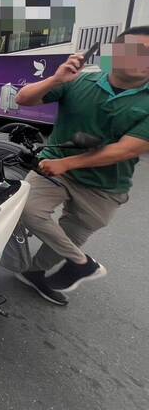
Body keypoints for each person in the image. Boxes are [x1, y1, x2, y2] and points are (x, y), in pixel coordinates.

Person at [13, 26, 149, 305]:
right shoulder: (78, 81)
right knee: (27, 210)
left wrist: (68, 163)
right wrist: (55, 79)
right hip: (51, 169)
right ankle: (81, 263)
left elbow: (127, 149)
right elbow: (23, 99)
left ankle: (34, 273)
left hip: (106, 187)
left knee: (71, 235)